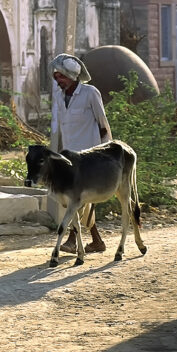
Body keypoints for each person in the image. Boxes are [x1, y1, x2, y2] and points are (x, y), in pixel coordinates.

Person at [50, 53, 112, 253]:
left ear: (72, 76)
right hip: (69, 159)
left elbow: (103, 126)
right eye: (56, 76)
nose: (58, 80)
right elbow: (59, 128)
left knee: (80, 199)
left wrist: (106, 154)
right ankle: (96, 240)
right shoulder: (59, 97)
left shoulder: (90, 93)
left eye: (62, 77)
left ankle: (72, 239)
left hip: (90, 158)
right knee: (76, 198)